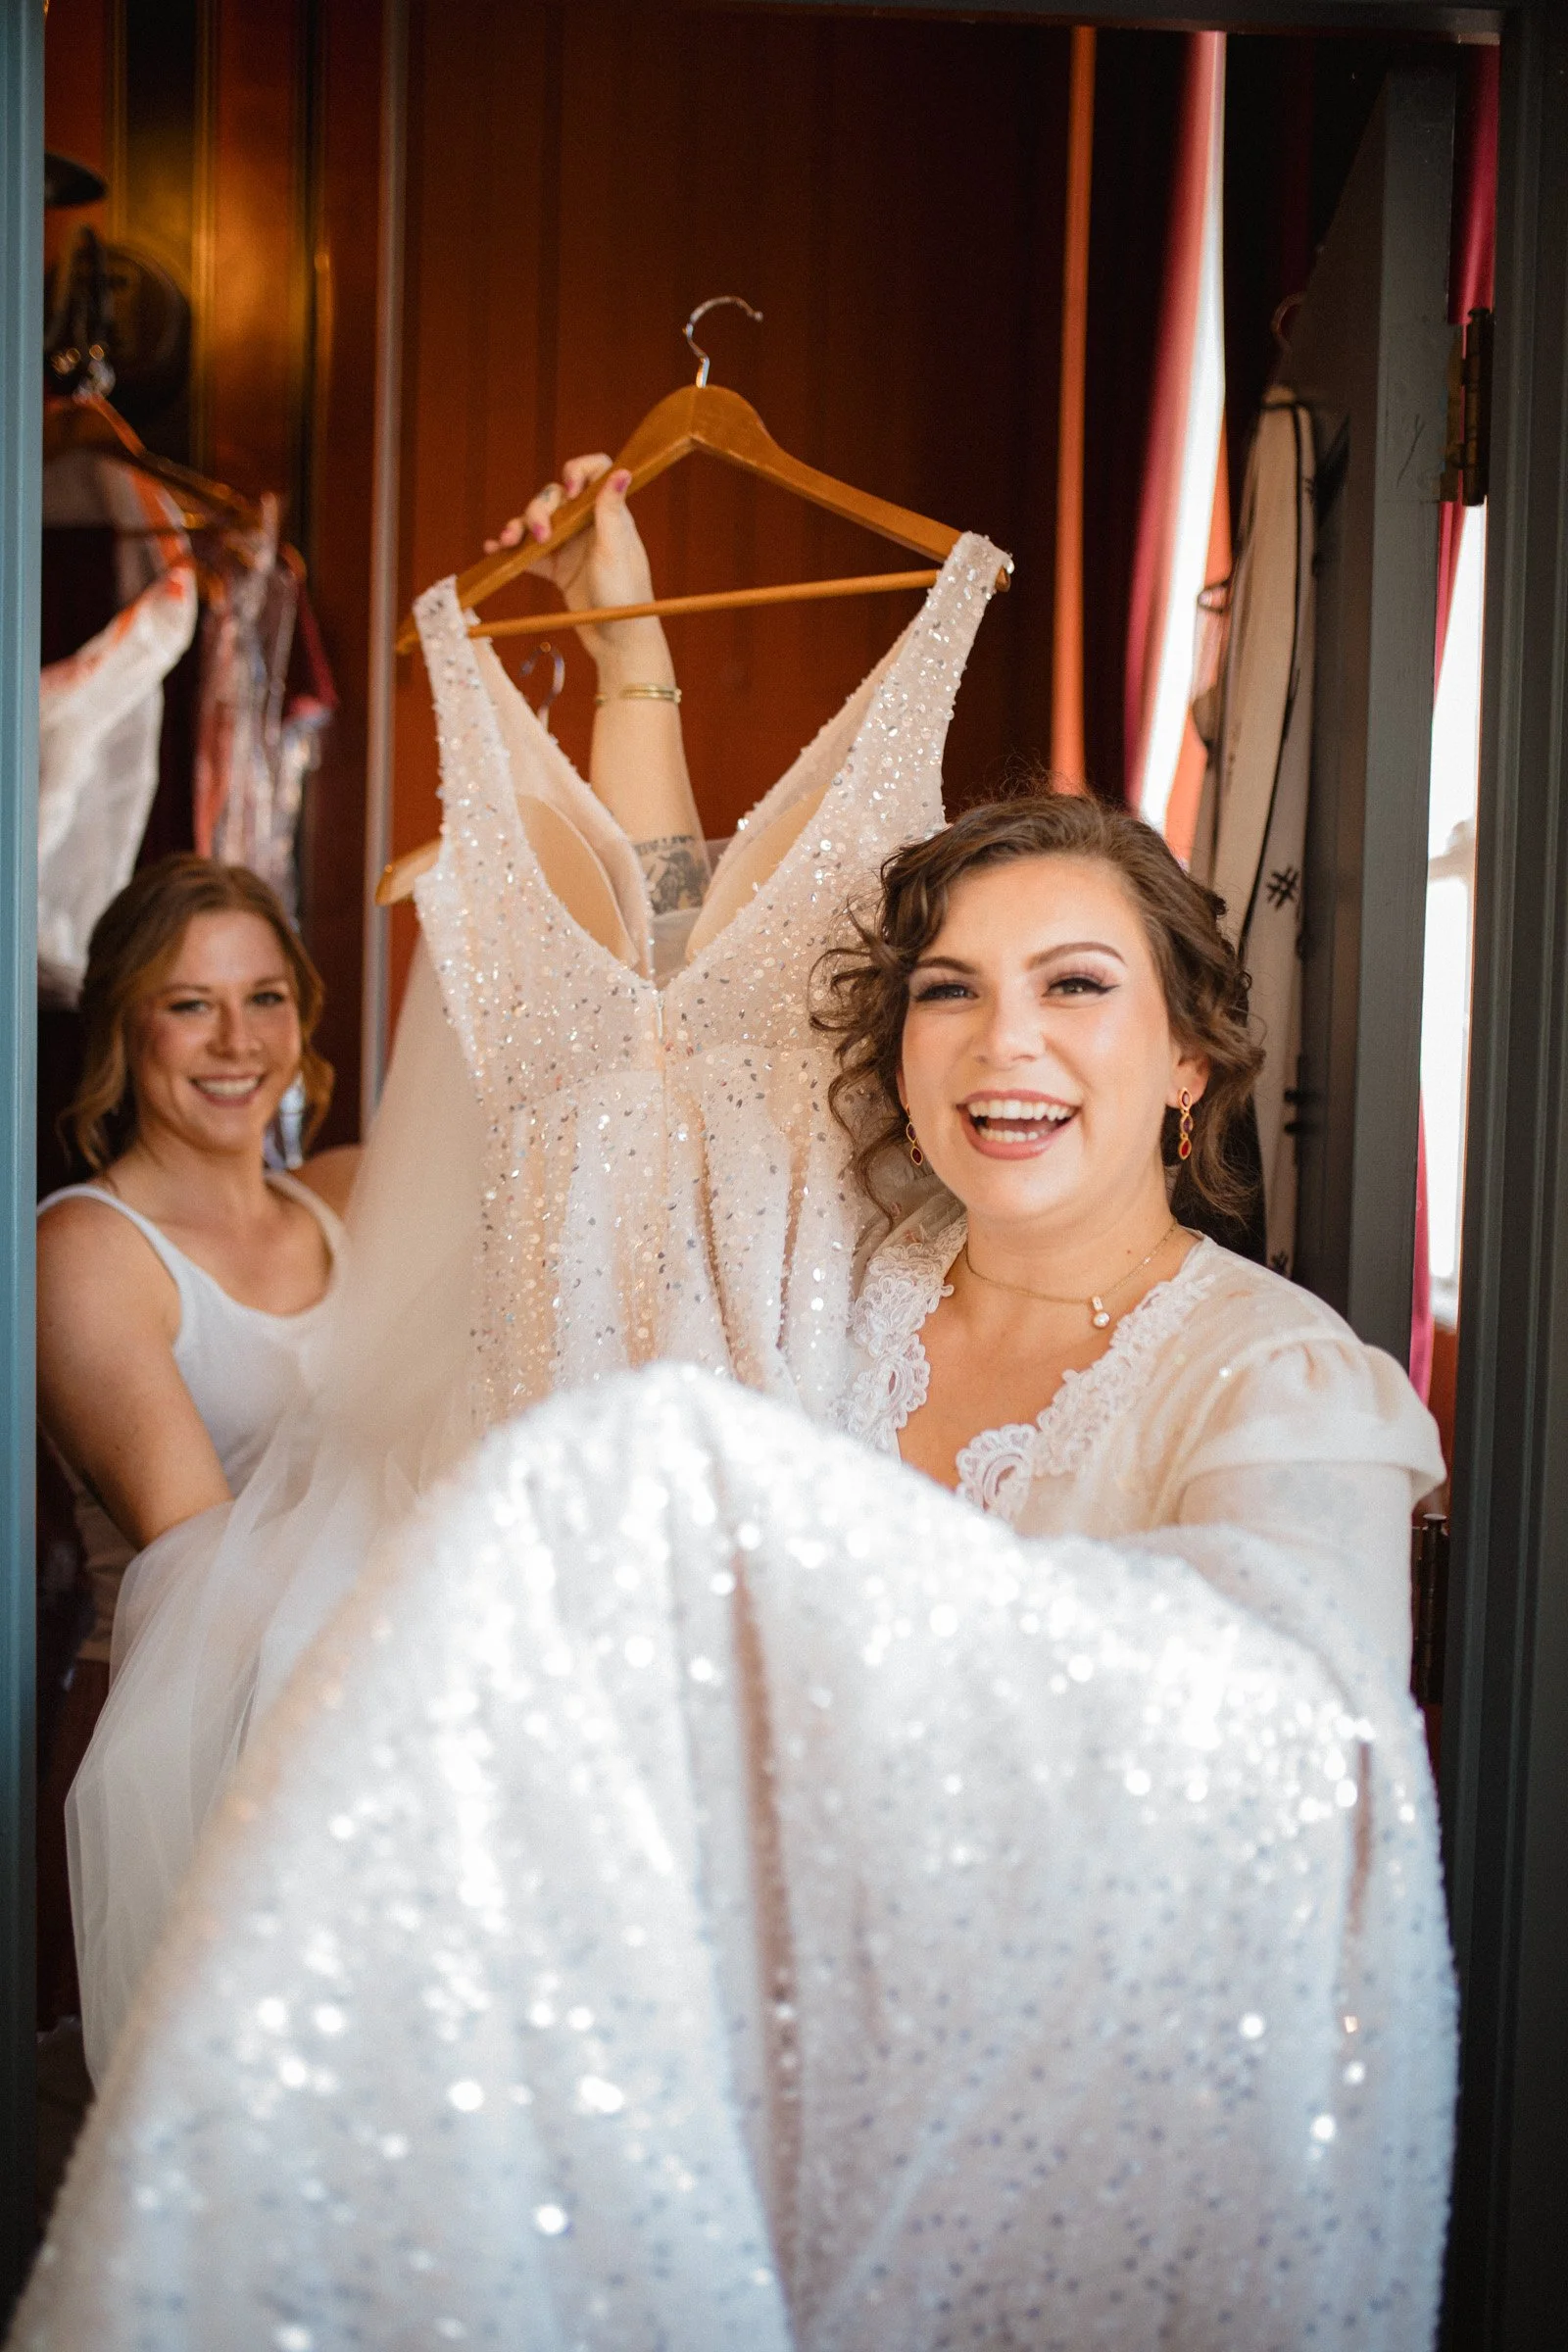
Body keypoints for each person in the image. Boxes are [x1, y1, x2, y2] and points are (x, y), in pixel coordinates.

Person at [59, 462, 1006, 2080]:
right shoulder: (88, 1254)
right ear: (122, 1034)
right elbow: (197, 1554)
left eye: (263, 1003)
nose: (235, 1045)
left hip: (708, 1458)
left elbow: (663, 949)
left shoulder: (357, 1190)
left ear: (310, 1018)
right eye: (186, 1009)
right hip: (405, 1543)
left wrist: (618, 624)